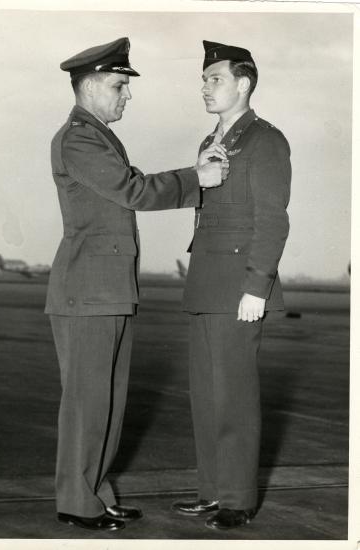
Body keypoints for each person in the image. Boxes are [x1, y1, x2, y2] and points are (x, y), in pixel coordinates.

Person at [45, 37, 227, 532]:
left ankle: (95, 494)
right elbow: (132, 189)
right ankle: (76, 502)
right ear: (88, 87)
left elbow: (129, 183)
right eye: (118, 85)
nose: (127, 95)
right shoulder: (79, 137)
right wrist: (197, 179)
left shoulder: (98, 135)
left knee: (108, 403)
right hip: (87, 291)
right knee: (88, 404)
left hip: (107, 290)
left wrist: (194, 175)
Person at [172, 41, 291, 530]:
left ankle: (238, 499)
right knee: (205, 393)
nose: (205, 86)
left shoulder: (265, 140)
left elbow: (273, 220)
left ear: (243, 83)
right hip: (205, 284)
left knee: (235, 394)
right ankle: (211, 490)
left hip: (239, 287)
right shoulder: (209, 144)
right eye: (204, 80)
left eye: (214, 79)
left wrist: (256, 287)